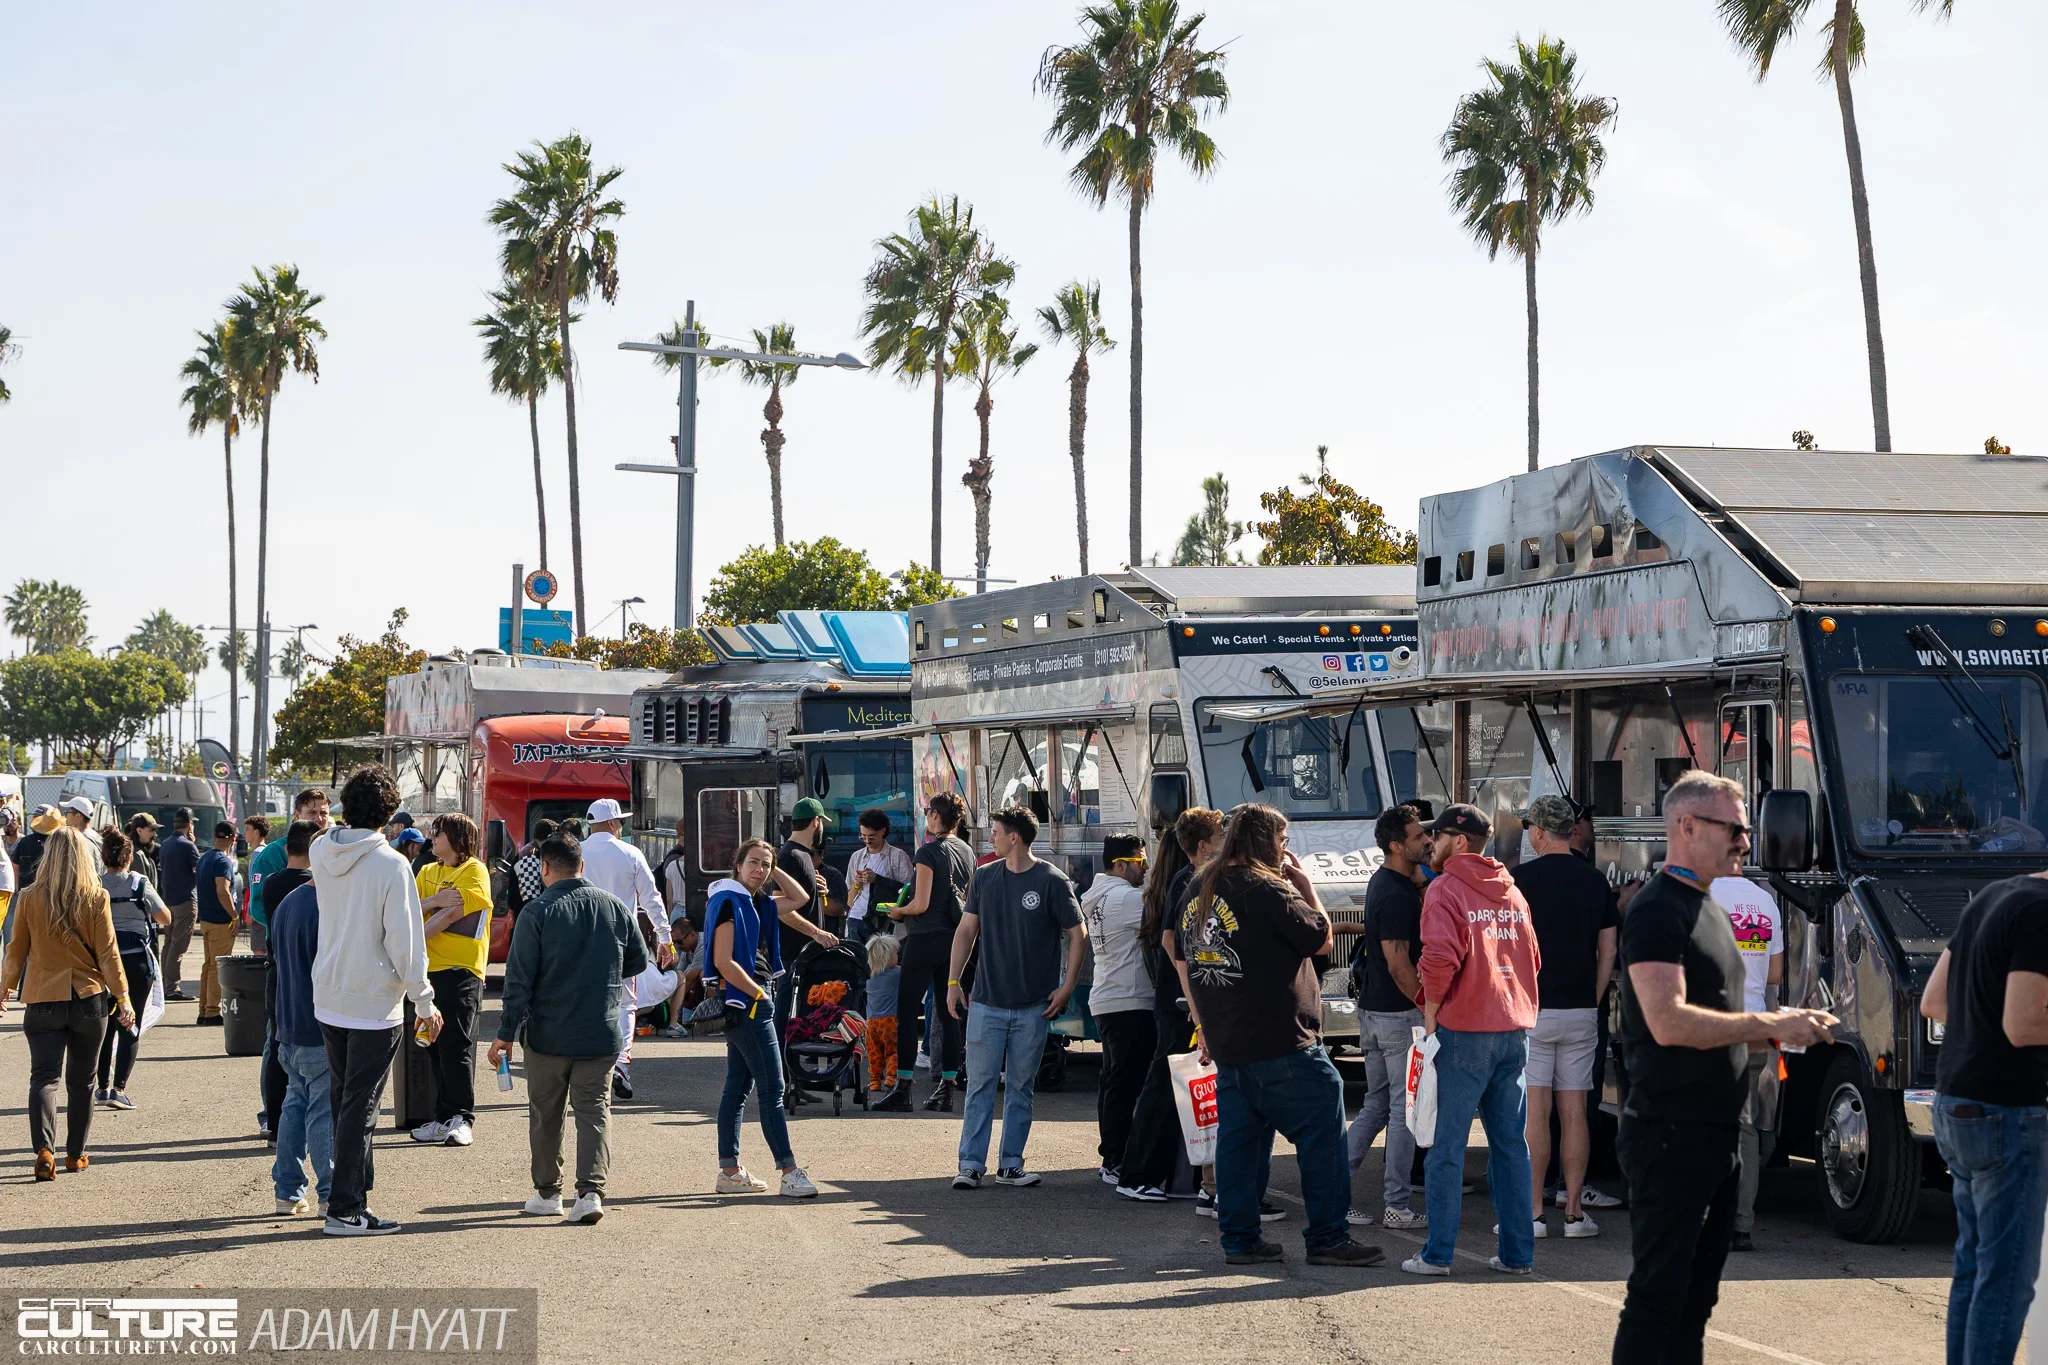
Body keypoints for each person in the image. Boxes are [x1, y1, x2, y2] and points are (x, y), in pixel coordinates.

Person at [1611, 770, 1834, 1363]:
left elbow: (1720, 1014)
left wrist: (1780, 1023)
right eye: (1733, 829)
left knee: (1695, 1304)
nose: (1746, 841)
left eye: (1746, 829)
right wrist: (1770, 1025)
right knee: (1658, 1300)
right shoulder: (1658, 909)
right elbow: (1668, 1021)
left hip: (1715, 1133)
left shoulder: (1709, 905)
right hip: (1670, 1134)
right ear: (1687, 826)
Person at [1170, 804, 1381, 1268]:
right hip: (1282, 1038)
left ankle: (1240, 1239)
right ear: (1265, 841)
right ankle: (1328, 1237)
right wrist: (1305, 885)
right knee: (1322, 1137)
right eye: (1283, 841)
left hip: (1229, 1039)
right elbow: (1321, 939)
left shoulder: (1199, 887)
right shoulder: (1265, 887)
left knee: (1239, 1146)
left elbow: (1183, 955)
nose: (1286, 850)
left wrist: (1204, 1024)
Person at [1402, 803, 1541, 1278]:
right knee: (1510, 1147)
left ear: (1459, 842)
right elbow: (1533, 959)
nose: (1431, 844)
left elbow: (1439, 959)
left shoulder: (1444, 888)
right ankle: (1517, 1255)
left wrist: (1431, 1015)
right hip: (1513, 1029)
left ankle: (1437, 1255)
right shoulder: (1512, 891)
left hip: (1464, 1030)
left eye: (1437, 836)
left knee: (1446, 1148)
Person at [1919, 871, 2048, 1365]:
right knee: (2007, 1280)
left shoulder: (1994, 895)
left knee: (1974, 1270)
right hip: (2006, 1113)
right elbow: (2023, 1024)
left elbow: (1933, 1001)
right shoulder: (2042, 914)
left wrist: (1986, 1027)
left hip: (1955, 1102)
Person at [490, 830, 650, 1224]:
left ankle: (548, 1193)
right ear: (582, 865)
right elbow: (638, 960)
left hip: (548, 1033)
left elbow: (518, 981)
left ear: (544, 867)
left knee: (547, 1113)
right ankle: (590, 1193)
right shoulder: (614, 907)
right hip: (601, 1030)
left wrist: (505, 1034)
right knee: (594, 1111)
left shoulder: (537, 912)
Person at [309, 765, 440, 1237]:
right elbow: (406, 942)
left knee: (344, 1100)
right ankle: (345, 1207)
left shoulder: (321, 849)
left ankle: (350, 1195)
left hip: (329, 991)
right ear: (389, 814)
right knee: (360, 1108)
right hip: (373, 1001)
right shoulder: (392, 864)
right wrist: (424, 1000)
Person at [946, 805, 1086, 1190]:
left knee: (1021, 1087)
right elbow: (965, 932)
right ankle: (970, 1165)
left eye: (995, 831)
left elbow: (1078, 934)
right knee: (980, 1085)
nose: (990, 837)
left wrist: (1067, 987)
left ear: (1015, 837)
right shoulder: (985, 876)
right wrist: (953, 982)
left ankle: (1011, 1164)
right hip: (986, 1002)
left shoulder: (1052, 880)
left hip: (1033, 1007)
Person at [1512, 794, 1620, 1239]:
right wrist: (1593, 997)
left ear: (1540, 832)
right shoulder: (1595, 880)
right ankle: (1574, 1212)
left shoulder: (1519, 880)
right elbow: (1608, 949)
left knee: (1536, 1113)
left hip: (1533, 1010)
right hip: (1580, 1010)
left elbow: (1509, 948)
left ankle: (1534, 1213)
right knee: (1575, 1112)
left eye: (1529, 829)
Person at [0, 827, 135, 1180]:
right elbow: (108, 953)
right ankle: (76, 1155)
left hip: (42, 997)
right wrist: (122, 997)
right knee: (83, 1082)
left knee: (44, 1078)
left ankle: (44, 1151)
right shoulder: (96, 896)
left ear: (49, 856)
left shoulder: (29, 897)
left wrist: (4, 987)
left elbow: (16, 948)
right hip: (88, 999)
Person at [1115, 806, 1226, 1205]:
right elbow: (1170, 941)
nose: (1225, 842)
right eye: (1220, 837)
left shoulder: (1189, 878)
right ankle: (1137, 1174)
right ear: (1203, 845)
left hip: (1182, 1000)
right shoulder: (1189, 880)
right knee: (1164, 1085)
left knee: (1181, 1087)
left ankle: (1177, 1177)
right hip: (1179, 1002)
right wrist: (1192, 995)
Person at [703, 837, 820, 1199]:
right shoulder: (729, 900)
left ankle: (730, 1173)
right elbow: (723, 961)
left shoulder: (755, 901)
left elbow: (801, 897)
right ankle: (789, 1172)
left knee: (738, 1087)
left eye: (765, 865)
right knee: (773, 1088)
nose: (759, 870)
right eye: (752, 862)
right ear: (737, 865)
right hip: (748, 1001)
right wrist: (758, 994)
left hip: (746, 999)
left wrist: (774, 868)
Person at [1347, 804, 1430, 1229]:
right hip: (1399, 1016)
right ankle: (1397, 1205)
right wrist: (1426, 1006)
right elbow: (1400, 965)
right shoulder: (1396, 895)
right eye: (1418, 836)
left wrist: (1420, 882)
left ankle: (1333, 1192)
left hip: (1374, 1012)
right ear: (1397, 846)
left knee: (1376, 1105)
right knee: (1403, 1111)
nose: (1427, 840)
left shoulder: (1386, 882)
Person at [878, 792, 973, 1112]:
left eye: (928, 811)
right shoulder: (966, 851)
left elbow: (920, 903)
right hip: (955, 939)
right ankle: (946, 1090)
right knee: (949, 1014)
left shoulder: (928, 852)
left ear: (935, 815)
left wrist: (898, 910)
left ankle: (903, 1089)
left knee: (906, 1012)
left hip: (924, 937)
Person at [577, 797, 675, 1099]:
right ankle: (620, 1064)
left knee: (585, 1002)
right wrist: (665, 938)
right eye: (620, 822)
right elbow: (651, 898)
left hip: (581, 942)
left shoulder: (577, 853)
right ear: (611, 823)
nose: (621, 826)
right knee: (625, 1004)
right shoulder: (630, 853)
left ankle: (587, 1065)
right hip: (621, 941)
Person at [410, 813, 493, 1147]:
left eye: (438, 832)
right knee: (432, 1042)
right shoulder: (427, 871)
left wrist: (413, 939)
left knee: (455, 1043)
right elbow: (408, 910)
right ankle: (443, 1117)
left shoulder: (474, 870)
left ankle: (461, 1118)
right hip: (428, 970)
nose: (431, 837)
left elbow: (450, 915)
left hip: (461, 969)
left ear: (457, 837)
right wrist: (433, 900)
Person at [1712, 872, 1784, 1252]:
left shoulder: (1703, 895)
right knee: (1746, 1130)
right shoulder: (1766, 902)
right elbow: (1775, 974)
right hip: (1754, 1026)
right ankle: (1741, 1227)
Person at [1082, 833, 1155, 1187]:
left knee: (1113, 1081)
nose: (1147, 868)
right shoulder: (1127, 898)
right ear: (1122, 865)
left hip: (1108, 998)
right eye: (1142, 861)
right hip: (1129, 999)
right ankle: (1116, 1158)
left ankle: (1111, 1155)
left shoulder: (1099, 896)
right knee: (1125, 1085)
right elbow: (1169, 921)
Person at [267, 871, 335, 1217]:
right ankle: (331, 1193)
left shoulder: (288, 902)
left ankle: (288, 1191)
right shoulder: (327, 905)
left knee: (295, 1104)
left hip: (288, 1022)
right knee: (322, 1110)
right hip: (318, 1024)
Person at [94, 830, 168, 1110]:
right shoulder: (139, 883)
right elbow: (165, 916)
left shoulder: (95, 883)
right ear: (128, 858)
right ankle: (119, 1089)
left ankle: (101, 1087)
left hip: (102, 962)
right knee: (130, 1023)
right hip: (135, 960)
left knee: (104, 1026)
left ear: (103, 857)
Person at [258, 820, 320, 1139]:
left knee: (277, 1044)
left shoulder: (271, 883)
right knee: (311, 1047)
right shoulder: (314, 886)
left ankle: (273, 1120)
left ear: (286, 849)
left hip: (276, 969)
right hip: (307, 972)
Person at [774, 798, 835, 1088]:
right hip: (792, 954)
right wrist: (816, 933)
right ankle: (780, 1081)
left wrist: (818, 888)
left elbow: (800, 901)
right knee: (784, 1016)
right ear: (815, 822)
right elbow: (780, 909)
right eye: (822, 823)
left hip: (804, 954)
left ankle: (794, 1082)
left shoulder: (802, 856)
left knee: (800, 1018)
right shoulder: (790, 856)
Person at [247, 789, 330, 943]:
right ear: (297, 815)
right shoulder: (273, 853)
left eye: (323, 813)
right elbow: (258, 907)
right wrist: (295, 927)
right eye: (312, 812)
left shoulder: (335, 850)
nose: (319, 818)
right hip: (285, 944)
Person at [845, 808, 914, 946]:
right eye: (863, 836)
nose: (867, 841)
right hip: (856, 917)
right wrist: (857, 883)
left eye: (871, 837)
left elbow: (908, 891)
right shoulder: (857, 857)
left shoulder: (897, 856)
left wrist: (877, 879)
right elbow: (848, 901)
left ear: (883, 831)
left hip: (883, 920)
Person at [193, 822, 240, 1026]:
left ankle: (204, 1009)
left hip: (206, 919)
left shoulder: (204, 858)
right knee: (218, 968)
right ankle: (212, 1011)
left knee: (209, 965)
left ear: (214, 835)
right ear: (233, 839)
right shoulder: (223, 861)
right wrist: (234, 916)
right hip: (221, 921)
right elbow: (223, 890)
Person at [157, 808, 201, 1002]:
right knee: (179, 945)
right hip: (185, 900)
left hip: (168, 901)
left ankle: (164, 984)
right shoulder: (187, 846)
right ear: (190, 824)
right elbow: (198, 871)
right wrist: (193, 845)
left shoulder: (165, 844)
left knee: (168, 944)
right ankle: (171, 987)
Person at [864, 934, 902, 1093]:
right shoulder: (896, 974)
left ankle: (874, 1081)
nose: (898, 957)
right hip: (891, 1020)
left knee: (875, 1053)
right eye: (895, 954)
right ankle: (891, 1077)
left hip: (871, 1022)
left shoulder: (869, 977)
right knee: (894, 1051)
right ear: (887, 958)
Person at [515, 819, 558, 909]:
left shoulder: (534, 852)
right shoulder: (529, 856)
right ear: (549, 837)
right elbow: (531, 899)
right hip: (529, 914)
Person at [58, 798, 107, 875]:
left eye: (67, 812)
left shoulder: (79, 840)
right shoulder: (97, 837)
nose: (65, 816)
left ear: (78, 816)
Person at [125, 813, 162, 891]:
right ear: (139, 831)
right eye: (151, 830)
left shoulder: (143, 852)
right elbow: (141, 890)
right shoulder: (136, 855)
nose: (155, 834)